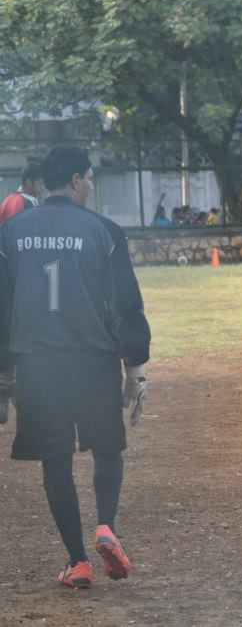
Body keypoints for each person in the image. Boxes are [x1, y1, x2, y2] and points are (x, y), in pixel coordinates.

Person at [0, 145, 151, 588]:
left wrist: (3, 376)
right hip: (94, 361)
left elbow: (2, 308)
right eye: (89, 179)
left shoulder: (10, 233)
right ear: (76, 179)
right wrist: (135, 369)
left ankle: (77, 561)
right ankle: (106, 526)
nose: (91, 186)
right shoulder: (103, 230)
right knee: (107, 448)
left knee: (56, 460)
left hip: (38, 365)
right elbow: (125, 305)